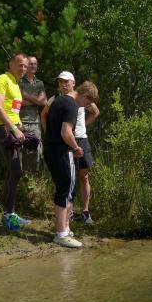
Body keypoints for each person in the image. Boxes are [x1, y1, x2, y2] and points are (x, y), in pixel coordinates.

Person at [45, 79, 99, 248]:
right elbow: (66, 132)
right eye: (87, 102)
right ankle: (61, 234)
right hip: (62, 152)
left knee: (65, 189)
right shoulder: (71, 105)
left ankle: (65, 228)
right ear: (84, 95)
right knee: (66, 190)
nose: (86, 106)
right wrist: (76, 147)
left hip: (51, 150)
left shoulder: (60, 100)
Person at [0, 53, 30, 231]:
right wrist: (14, 128)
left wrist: (20, 125)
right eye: (20, 64)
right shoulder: (3, 79)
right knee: (15, 171)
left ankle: (11, 212)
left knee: (15, 172)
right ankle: (7, 215)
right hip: (5, 130)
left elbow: (13, 109)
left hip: (14, 130)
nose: (23, 68)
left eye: (25, 66)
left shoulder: (15, 83)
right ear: (11, 64)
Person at [19, 56, 46, 172]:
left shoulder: (40, 83)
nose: (33, 66)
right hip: (21, 121)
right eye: (30, 63)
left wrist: (26, 96)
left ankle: (33, 177)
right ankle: (20, 176)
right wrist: (36, 100)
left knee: (36, 150)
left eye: (35, 64)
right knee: (20, 150)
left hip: (35, 122)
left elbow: (43, 102)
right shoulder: (19, 81)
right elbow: (17, 102)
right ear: (26, 65)